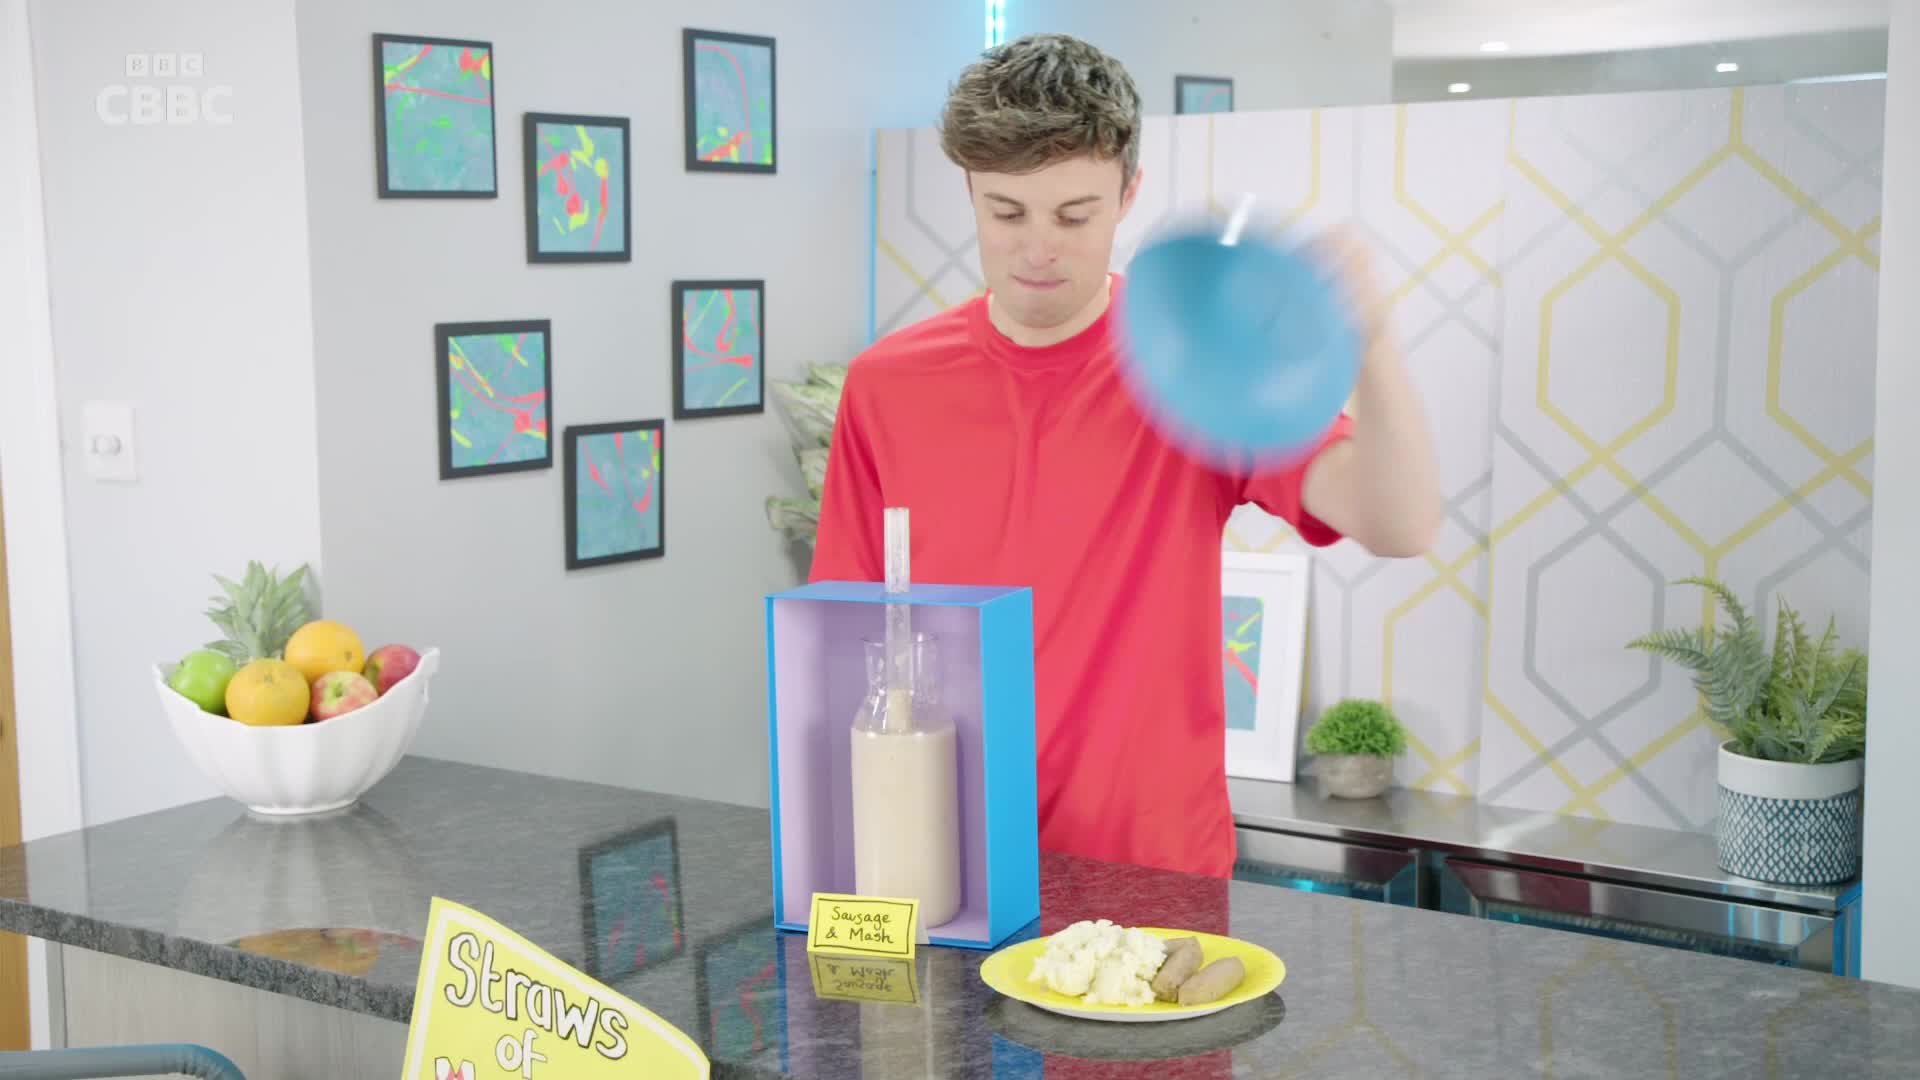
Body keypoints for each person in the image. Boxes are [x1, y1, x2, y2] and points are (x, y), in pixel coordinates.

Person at [809, 32, 1441, 880]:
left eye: (1074, 215)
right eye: (1007, 213)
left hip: (1154, 872)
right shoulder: (887, 385)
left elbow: (1400, 524)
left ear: (1128, 194)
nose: (1039, 248)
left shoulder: (1193, 359)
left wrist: (1373, 346)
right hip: (945, 863)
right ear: (969, 190)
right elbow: (840, 643)